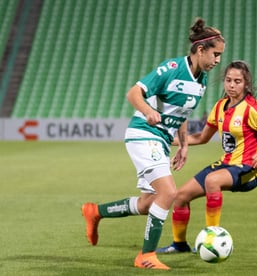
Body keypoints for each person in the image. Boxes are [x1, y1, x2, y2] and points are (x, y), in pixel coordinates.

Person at [81, 18, 225, 270]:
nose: (217, 61)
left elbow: (182, 115)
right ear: (201, 50)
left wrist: (183, 145)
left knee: (149, 203)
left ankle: (95, 212)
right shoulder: (171, 68)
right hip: (143, 133)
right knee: (169, 193)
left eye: (220, 56)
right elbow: (133, 93)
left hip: (161, 140)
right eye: (216, 54)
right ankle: (146, 255)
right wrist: (147, 110)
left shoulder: (200, 82)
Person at [156, 60, 257, 254]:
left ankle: (212, 238)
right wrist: (170, 140)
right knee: (181, 196)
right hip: (227, 164)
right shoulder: (220, 107)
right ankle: (179, 244)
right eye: (228, 80)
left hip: (249, 168)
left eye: (237, 81)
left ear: (246, 84)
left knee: (212, 180)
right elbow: (202, 137)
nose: (232, 85)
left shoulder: (252, 108)